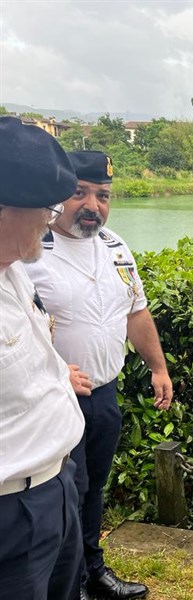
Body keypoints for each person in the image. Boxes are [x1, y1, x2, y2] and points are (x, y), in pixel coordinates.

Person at [26, 150, 174, 600]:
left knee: (93, 490)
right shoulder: (28, 250)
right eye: (80, 193)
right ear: (57, 194)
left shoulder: (115, 246)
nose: (93, 205)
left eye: (103, 195)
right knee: (63, 496)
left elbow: (136, 311)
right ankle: (62, 585)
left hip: (104, 394)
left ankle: (93, 572)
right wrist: (52, 371)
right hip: (52, 400)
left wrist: (158, 367)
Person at [0, 116, 86, 599]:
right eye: (46, 208)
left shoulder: (13, 270)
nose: (53, 220)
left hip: (56, 485)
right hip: (11, 514)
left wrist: (56, 377)